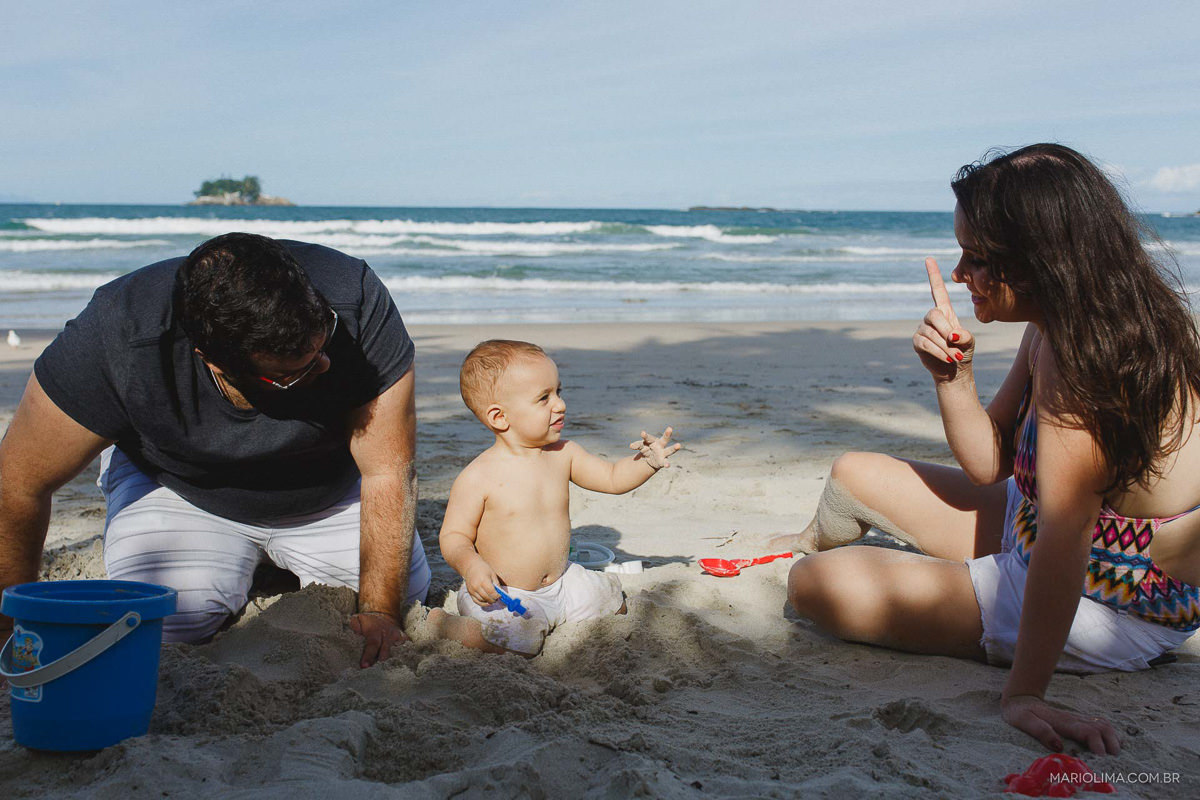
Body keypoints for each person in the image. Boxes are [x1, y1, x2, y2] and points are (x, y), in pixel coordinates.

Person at [782, 144, 1200, 756]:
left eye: (976, 258)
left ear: (1040, 262)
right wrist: (953, 378)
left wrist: (1026, 693)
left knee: (817, 586)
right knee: (852, 472)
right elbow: (988, 464)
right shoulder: (1059, 320)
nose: (958, 274)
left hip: (1112, 597)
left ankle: (947, 593)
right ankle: (802, 537)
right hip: (1037, 530)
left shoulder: (1090, 363)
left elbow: (1067, 535)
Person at [0, 233, 430, 667]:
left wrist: (379, 612)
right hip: (179, 484)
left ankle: (268, 560)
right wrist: (7, 632)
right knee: (171, 623)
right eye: (291, 373)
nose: (325, 366)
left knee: (399, 597)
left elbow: (387, 471)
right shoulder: (121, 331)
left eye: (323, 345)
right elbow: (18, 482)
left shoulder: (352, 294)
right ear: (213, 361)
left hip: (326, 487)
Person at [428, 339, 680, 655]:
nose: (559, 404)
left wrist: (647, 463)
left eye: (558, 392)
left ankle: (562, 611)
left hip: (562, 581)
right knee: (515, 643)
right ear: (500, 417)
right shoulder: (478, 477)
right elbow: (453, 536)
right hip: (505, 594)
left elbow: (612, 479)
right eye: (543, 398)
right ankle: (446, 625)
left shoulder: (564, 454)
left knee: (613, 604)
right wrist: (471, 566)